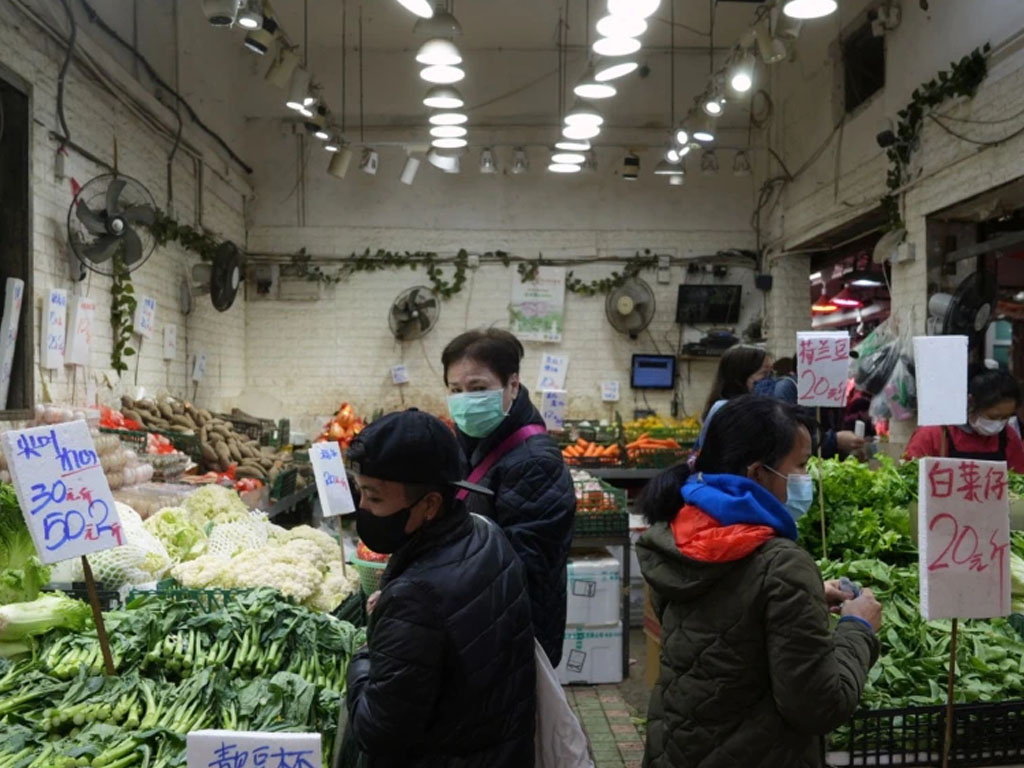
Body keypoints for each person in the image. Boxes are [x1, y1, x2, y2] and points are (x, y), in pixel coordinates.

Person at [637, 396, 882, 768]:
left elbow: (721, 623)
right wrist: (857, 627)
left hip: (679, 747)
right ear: (757, 473)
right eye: (800, 466)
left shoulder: (676, 535)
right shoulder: (781, 564)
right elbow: (819, 705)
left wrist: (804, 595)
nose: (805, 478)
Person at [343, 409, 536, 768]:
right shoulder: (485, 532)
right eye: (360, 493)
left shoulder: (414, 599)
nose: (363, 508)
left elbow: (376, 731)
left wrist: (367, 647)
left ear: (430, 504)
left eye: (374, 497)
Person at [441, 329, 576, 666]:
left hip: (512, 634)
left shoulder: (534, 461)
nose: (465, 400)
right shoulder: (472, 442)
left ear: (512, 385)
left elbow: (524, 566)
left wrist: (433, 588)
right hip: (479, 623)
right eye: (455, 390)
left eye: (478, 389)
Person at [905, 365, 1024, 471]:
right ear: (970, 403)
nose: (998, 424)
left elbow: (1018, 477)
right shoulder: (935, 434)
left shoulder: (1008, 437)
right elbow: (910, 474)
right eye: (993, 417)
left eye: (1005, 417)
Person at [692, 345, 774, 452]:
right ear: (740, 376)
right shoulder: (724, 410)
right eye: (764, 373)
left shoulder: (757, 410)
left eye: (771, 373)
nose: (770, 379)